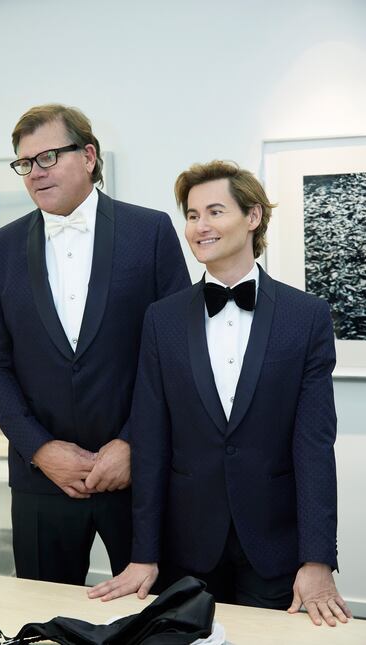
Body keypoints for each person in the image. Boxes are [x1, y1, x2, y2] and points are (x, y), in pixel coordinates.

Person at [88, 160, 352, 627]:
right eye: (191, 215)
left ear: (252, 217)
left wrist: (317, 559)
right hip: (184, 549)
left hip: (274, 547)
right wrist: (143, 553)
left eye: (214, 211)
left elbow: (313, 445)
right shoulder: (161, 319)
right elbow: (150, 442)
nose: (200, 226)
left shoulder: (307, 316)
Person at [0, 104, 190, 585]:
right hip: (41, 482)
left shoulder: (150, 231)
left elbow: (178, 353)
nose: (35, 173)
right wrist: (41, 449)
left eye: (47, 157)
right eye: (25, 163)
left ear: (88, 156)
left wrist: (133, 442)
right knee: (40, 621)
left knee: (156, 620)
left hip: (140, 473)